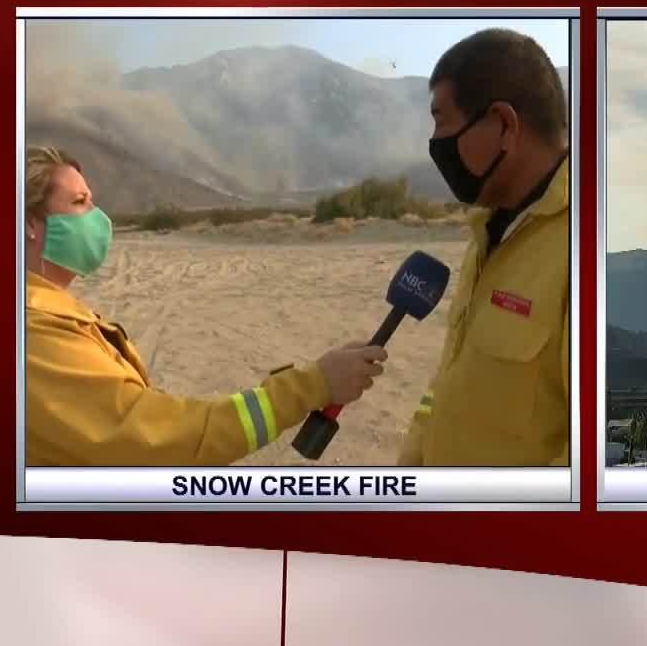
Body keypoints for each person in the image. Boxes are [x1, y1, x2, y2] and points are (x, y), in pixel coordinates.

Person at [24, 145, 388, 466]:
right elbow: (159, 440)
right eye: (79, 202)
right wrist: (312, 385)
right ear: (29, 225)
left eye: (92, 199)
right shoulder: (35, 334)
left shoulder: (51, 311)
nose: (97, 217)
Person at [398, 28, 570, 467]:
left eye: (442, 121)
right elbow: (452, 378)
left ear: (505, 126)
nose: (436, 145)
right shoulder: (488, 229)